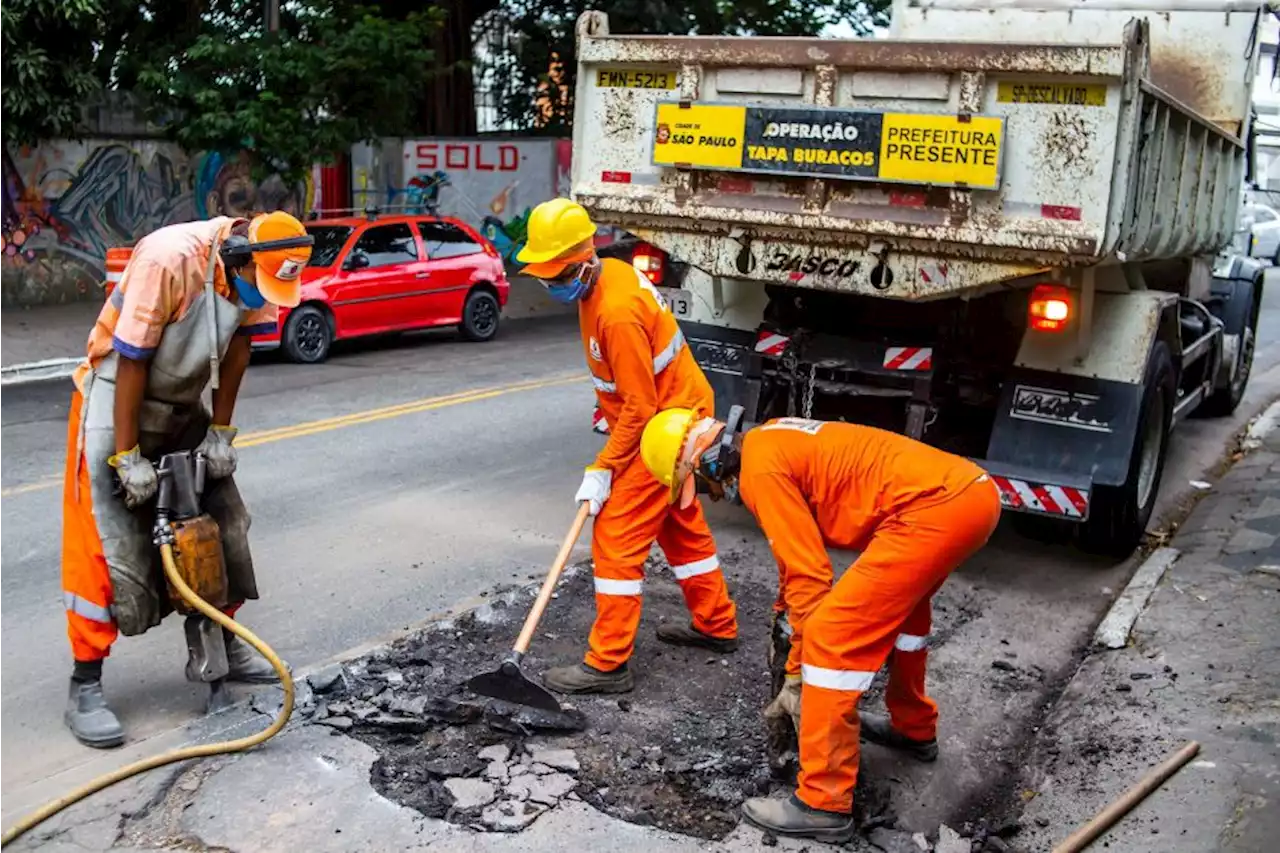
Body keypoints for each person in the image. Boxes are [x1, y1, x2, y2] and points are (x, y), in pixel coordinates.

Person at [639, 410, 1001, 842]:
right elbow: (797, 558)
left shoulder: (759, 472)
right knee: (907, 616)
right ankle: (912, 727)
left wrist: (796, 672)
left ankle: (823, 802)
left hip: (933, 511)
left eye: (700, 486)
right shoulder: (767, 441)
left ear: (701, 463)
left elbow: (811, 580)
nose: (712, 497)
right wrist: (785, 618)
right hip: (967, 494)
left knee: (831, 639)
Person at [61, 211, 313, 748]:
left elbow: (240, 348)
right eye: (256, 282)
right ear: (237, 255)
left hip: (179, 406)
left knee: (224, 523)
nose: (258, 294)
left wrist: (220, 433)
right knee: (109, 548)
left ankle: (225, 643)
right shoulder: (169, 259)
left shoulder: (265, 261)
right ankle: (85, 682)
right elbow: (131, 359)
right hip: (116, 402)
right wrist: (127, 456)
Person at [515, 198, 739, 694]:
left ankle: (608, 663)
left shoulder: (615, 312)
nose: (551, 284)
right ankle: (717, 624)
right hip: (671, 416)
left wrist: (604, 467)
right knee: (681, 529)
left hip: (663, 429)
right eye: (545, 275)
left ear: (583, 259)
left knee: (615, 538)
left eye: (557, 274)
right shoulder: (608, 274)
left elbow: (639, 407)